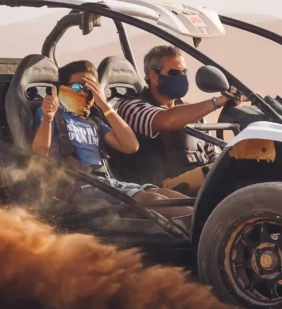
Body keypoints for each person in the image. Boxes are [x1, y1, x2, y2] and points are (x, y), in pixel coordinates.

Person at [31, 60, 189, 211]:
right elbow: (40, 152)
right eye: (78, 87)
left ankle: (205, 225)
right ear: (62, 88)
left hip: (106, 181)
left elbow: (131, 146)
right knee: (152, 200)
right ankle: (204, 233)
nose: (85, 92)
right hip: (76, 184)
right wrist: (48, 118)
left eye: (91, 88)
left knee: (164, 194)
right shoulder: (51, 114)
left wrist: (103, 104)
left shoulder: (93, 121)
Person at [115, 45, 244, 194]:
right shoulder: (132, 107)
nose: (182, 77)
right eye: (175, 73)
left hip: (200, 182)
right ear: (153, 75)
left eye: (184, 72)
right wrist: (217, 102)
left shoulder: (193, 113)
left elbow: (212, 155)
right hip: (164, 190)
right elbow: (166, 120)